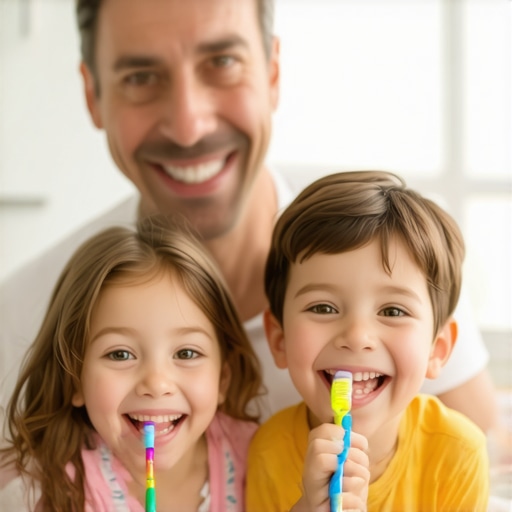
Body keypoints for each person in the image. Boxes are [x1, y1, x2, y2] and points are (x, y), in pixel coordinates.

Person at [0, 0, 498, 430]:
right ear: (93, 96)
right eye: (141, 77)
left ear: (273, 73)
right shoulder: (22, 321)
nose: (189, 126)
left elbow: (486, 464)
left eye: (221, 61)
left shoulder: (395, 263)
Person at [246, 170, 490, 511]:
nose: (357, 337)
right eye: (323, 307)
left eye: (392, 311)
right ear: (279, 339)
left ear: (438, 348)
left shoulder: (458, 452)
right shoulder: (268, 451)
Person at [0, 217, 262, 511]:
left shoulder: (262, 458)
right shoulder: (37, 492)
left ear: (222, 379)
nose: (156, 383)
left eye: (186, 353)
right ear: (74, 378)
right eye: (120, 354)